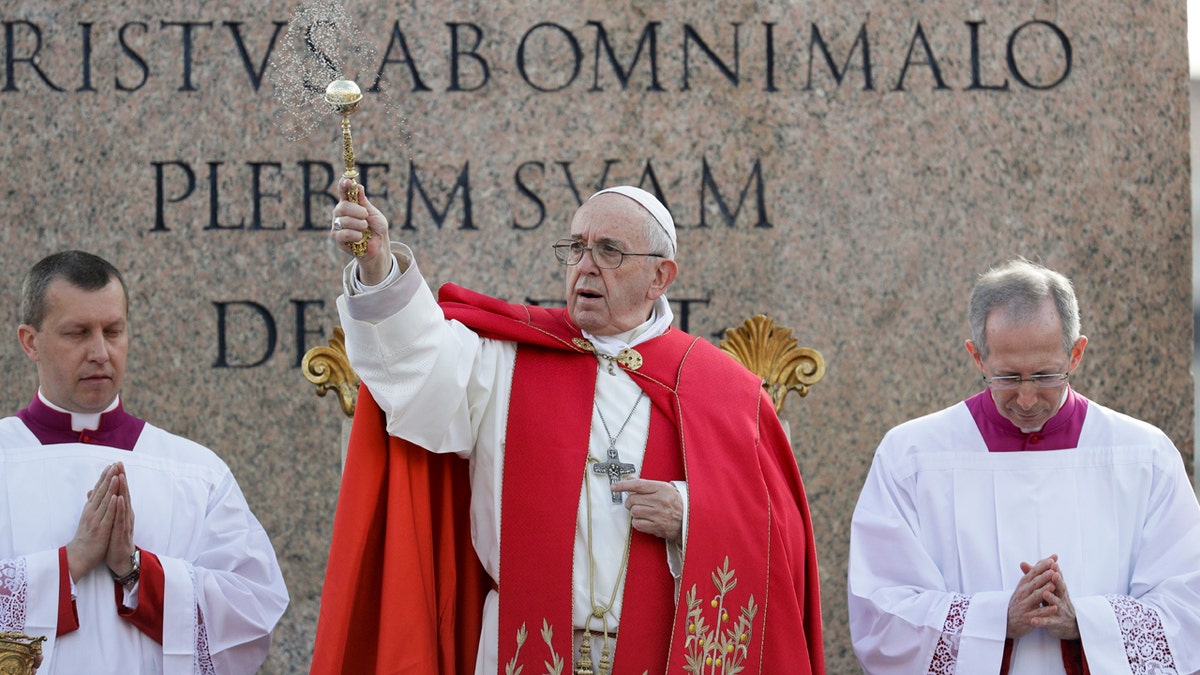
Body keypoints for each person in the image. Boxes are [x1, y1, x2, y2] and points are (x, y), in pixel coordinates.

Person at [312, 181, 825, 674]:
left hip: (662, 650)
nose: (585, 266)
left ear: (660, 277)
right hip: (521, 649)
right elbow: (417, 362)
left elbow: (783, 539)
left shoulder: (720, 389)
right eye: (576, 248)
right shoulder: (508, 360)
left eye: (609, 251)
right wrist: (378, 264)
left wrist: (689, 513)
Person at [847, 258, 1200, 674]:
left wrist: (1082, 625)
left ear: (1077, 353)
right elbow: (883, 613)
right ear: (977, 357)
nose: (1028, 399)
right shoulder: (912, 458)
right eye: (1008, 378)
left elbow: (1186, 607)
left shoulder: (1144, 456)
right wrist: (999, 621)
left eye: (1047, 375)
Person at [0, 250, 290, 673]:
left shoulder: (196, 472)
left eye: (113, 331)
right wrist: (69, 564)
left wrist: (136, 571)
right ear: (31, 342)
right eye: (78, 333)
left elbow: (252, 613)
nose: (100, 351)